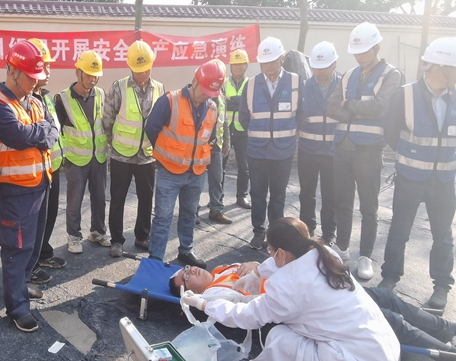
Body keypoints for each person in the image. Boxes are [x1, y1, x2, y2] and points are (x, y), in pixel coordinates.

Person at [180, 217, 400, 360]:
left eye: (270, 250)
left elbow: (247, 316)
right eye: (185, 275)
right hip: (383, 342)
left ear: (281, 253)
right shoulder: (324, 253)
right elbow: (287, 264)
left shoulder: (288, 286)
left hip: (352, 355)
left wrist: (205, 305)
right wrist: (257, 272)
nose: (190, 271)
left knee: (280, 336)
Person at [171, 261, 456, 354]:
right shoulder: (214, 294)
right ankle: (446, 353)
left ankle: (448, 329)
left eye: (186, 268)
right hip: (298, 303)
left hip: (310, 286)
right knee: (389, 319)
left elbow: (271, 264)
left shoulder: (221, 270)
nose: (189, 270)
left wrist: (256, 265)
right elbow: (248, 309)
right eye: (184, 277)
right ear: (188, 291)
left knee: (385, 296)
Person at [0, 40, 58, 332]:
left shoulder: (35, 101)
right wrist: (39, 133)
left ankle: (21, 288)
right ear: (13, 72)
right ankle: (17, 307)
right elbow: (21, 137)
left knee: (33, 246)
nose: (36, 81)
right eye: (31, 75)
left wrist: (36, 133)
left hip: (40, 183)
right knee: (17, 248)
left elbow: (52, 132)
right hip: (15, 189)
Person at [378, 37, 456, 310]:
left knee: (443, 235)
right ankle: (390, 277)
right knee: (399, 230)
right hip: (410, 178)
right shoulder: (405, 94)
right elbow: (390, 132)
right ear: (440, 68)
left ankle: (441, 286)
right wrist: (411, 157)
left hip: (444, 181)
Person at [327, 22, 402, 280]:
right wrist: (358, 109)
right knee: (342, 202)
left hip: (368, 150)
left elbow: (381, 107)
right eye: (356, 52)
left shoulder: (391, 74)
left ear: (377, 47)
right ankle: (342, 248)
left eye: (365, 51)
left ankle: (366, 256)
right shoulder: (349, 75)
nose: (360, 56)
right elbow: (331, 106)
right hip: (342, 147)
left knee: (369, 206)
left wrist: (348, 105)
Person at [144, 59, 223, 268]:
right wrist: (167, 153)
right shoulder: (170, 101)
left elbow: (210, 138)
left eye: (210, 93)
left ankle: (186, 250)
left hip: (197, 173)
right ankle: (156, 259)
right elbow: (151, 128)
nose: (206, 96)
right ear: (195, 81)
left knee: (190, 214)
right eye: (204, 90)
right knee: (163, 217)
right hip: (169, 171)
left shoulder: (212, 108)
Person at [239, 37, 303, 250]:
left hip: (283, 151)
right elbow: (243, 117)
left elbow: (301, 113)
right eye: (264, 62)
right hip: (257, 151)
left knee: (278, 195)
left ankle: (275, 236)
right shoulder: (251, 84)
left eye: (272, 61)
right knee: (257, 194)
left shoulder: (295, 82)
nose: (268, 66)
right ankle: (258, 232)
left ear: (282, 59)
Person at [103, 40, 166, 257]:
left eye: (147, 69)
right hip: (121, 154)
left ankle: (142, 236)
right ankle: (116, 241)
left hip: (147, 155)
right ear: (130, 67)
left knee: (146, 199)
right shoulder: (118, 87)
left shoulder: (159, 88)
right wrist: (112, 139)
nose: (143, 74)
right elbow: (108, 117)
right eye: (139, 70)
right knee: (117, 199)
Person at [54, 50, 110, 254]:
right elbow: (56, 130)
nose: (93, 79)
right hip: (75, 159)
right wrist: (61, 157)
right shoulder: (62, 98)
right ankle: (73, 236)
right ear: (78, 71)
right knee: (74, 200)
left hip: (99, 156)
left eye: (96, 75)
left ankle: (98, 231)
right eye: (89, 74)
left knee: (99, 198)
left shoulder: (101, 94)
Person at [26, 38, 67, 285]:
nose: (49, 71)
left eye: (49, 65)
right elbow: (42, 135)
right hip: (37, 170)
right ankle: (29, 265)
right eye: (45, 66)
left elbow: (53, 129)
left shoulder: (45, 97)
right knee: (33, 221)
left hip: (53, 167)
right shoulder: (27, 99)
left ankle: (43, 252)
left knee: (49, 216)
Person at [297, 41, 341, 245]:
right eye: (316, 67)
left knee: (331, 195)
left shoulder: (343, 86)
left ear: (335, 64)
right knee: (307, 193)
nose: (320, 71)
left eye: (325, 67)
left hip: (334, 152)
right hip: (308, 150)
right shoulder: (304, 87)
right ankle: (306, 230)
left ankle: (329, 233)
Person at [199, 59, 232, 225]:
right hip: (200, 147)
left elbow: (224, 121)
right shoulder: (200, 92)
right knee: (196, 182)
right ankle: (192, 212)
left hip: (216, 146)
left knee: (217, 180)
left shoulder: (222, 96)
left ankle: (216, 210)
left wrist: (226, 142)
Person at [223, 49, 251, 209]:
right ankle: (217, 197)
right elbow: (221, 103)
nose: (238, 67)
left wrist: (236, 102)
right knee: (220, 166)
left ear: (246, 66)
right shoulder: (224, 83)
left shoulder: (251, 84)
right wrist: (240, 102)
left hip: (243, 131)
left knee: (244, 167)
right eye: (235, 64)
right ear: (231, 66)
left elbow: (251, 104)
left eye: (241, 64)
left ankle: (242, 196)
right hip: (225, 130)